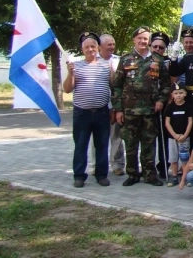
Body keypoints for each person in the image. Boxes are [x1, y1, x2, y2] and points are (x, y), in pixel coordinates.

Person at [112, 26, 170, 186]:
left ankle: (150, 174)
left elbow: (166, 84)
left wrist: (161, 100)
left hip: (150, 110)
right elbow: (116, 86)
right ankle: (132, 174)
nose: (143, 41)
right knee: (130, 143)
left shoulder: (157, 60)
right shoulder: (125, 60)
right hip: (129, 110)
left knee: (149, 143)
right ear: (134, 40)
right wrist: (118, 110)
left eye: (145, 39)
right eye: (140, 38)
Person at [64, 32, 113, 188]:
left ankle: (101, 175)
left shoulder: (107, 65)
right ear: (82, 49)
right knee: (81, 145)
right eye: (87, 47)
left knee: (102, 145)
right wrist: (70, 73)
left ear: (98, 47)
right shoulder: (76, 66)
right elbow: (67, 89)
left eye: (93, 46)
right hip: (82, 113)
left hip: (102, 112)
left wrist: (115, 109)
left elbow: (114, 87)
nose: (90, 49)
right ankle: (79, 176)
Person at [97, 34, 124, 176]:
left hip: (116, 105)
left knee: (117, 136)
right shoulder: (93, 61)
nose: (112, 47)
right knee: (98, 138)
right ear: (100, 46)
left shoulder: (119, 60)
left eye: (113, 44)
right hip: (99, 106)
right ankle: (97, 165)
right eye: (109, 45)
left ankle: (117, 165)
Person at [164, 83, 193, 187]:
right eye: (176, 93)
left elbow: (190, 121)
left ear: (185, 93)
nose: (178, 95)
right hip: (173, 138)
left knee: (185, 158)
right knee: (173, 158)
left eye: (181, 93)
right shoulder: (170, 107)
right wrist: (174, 135)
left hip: (184, 138)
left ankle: (185, 177)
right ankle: (174, 176)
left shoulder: (188, 106)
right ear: (172, 94)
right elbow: (167, 123)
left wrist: (185, 135)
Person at [150, 31, 171, 178]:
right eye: (155, 47)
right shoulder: (144, 60)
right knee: (149, 138)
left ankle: (164, 166)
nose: (158, 50)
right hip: (146, 105)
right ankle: (148, 168)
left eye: (161, 48)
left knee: (164, 137)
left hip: (164, 104)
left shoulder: (169, 62)